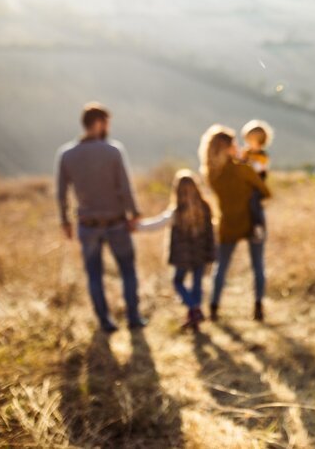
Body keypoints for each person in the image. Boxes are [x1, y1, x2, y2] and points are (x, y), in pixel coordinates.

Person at [56, 102, 147, 332]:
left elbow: (61, 192)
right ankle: (133, 317)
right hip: (116, 222)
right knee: (127, 270)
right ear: (98, 123)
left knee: (94, 275)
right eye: (106, 122)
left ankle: (105, 322)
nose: (108, 127)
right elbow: (125, 187)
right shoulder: (113, 150)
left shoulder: (67, 154)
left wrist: (65, 221)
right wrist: (134, 213)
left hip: (87, 225)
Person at [199, 124, 271, 322]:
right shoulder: (242, 169)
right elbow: (265, 191)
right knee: (258, 265)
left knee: (220, 266)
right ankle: (258, 307)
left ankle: (213, 307)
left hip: (228, 222)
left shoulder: (211, 174)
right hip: (252, 220)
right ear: (228, 147)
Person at [138, 170, 215, 332]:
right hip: (201, 253)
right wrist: (211, 253)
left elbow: (156, 224)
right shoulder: (205, 207)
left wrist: (136, 226)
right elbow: (211, 233)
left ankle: (194, 310)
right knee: (196, 285)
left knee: (177, 281)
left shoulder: (176, 211)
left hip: (183, 256)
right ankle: (195, 313)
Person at [240, 119, 274, 243]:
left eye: (250, 140)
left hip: (257, 186)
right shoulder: (246, 153)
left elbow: (259, 169)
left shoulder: (262, 156)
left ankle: (258, 226)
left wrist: (248, 164)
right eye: (247, 140)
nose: (248, 143)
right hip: (246, 185)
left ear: (260, 142)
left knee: (254, 203)